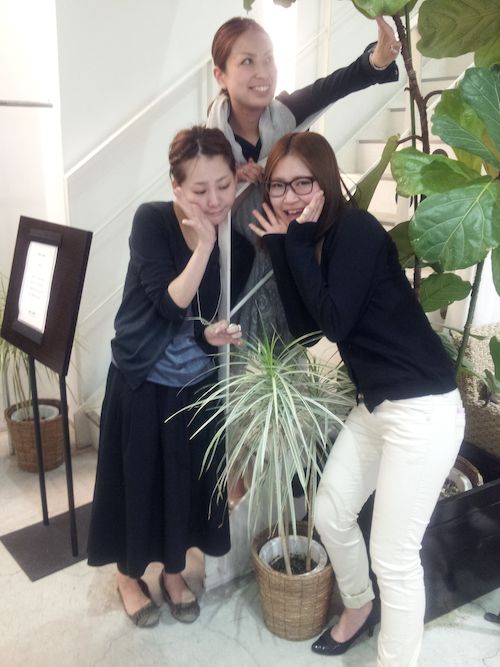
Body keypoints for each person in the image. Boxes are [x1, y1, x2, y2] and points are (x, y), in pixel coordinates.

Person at [249, 131, 465, 666]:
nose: (290, 196)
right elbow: (307, 331)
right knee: (330, 512)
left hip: (423, 410)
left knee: (394, 557)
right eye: (278, 185)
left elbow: (336, 321)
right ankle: (359, 606)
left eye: (302, 182)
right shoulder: (310, 241)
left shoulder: (357, 231)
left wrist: (294, 244)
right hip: (378, 405)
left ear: (325, 181)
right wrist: (286, 250)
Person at [87, 126, 245, 628]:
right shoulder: (151, 221)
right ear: (176, 187)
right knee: (137, 486)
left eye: (224, 185)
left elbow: (196, 321)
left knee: (180, 487)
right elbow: (169, 303)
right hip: (142, 380)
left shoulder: (231, 238)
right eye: (199, 190)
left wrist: (208, 336)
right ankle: (127, 576)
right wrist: (203, 247)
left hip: (193, 383)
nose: (214, 200)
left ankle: (173, 573)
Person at [207, 15, 401, 342]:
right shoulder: (208, 144)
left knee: (291, 345)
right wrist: (228, 178)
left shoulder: (286, 114)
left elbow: (335, 85)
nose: (262, 72)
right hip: (231, 274)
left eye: (268, 59)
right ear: (220, 75)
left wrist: (377, 60)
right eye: (247, 61)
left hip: (286, 261)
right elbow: (190, 202)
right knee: (231, 355)